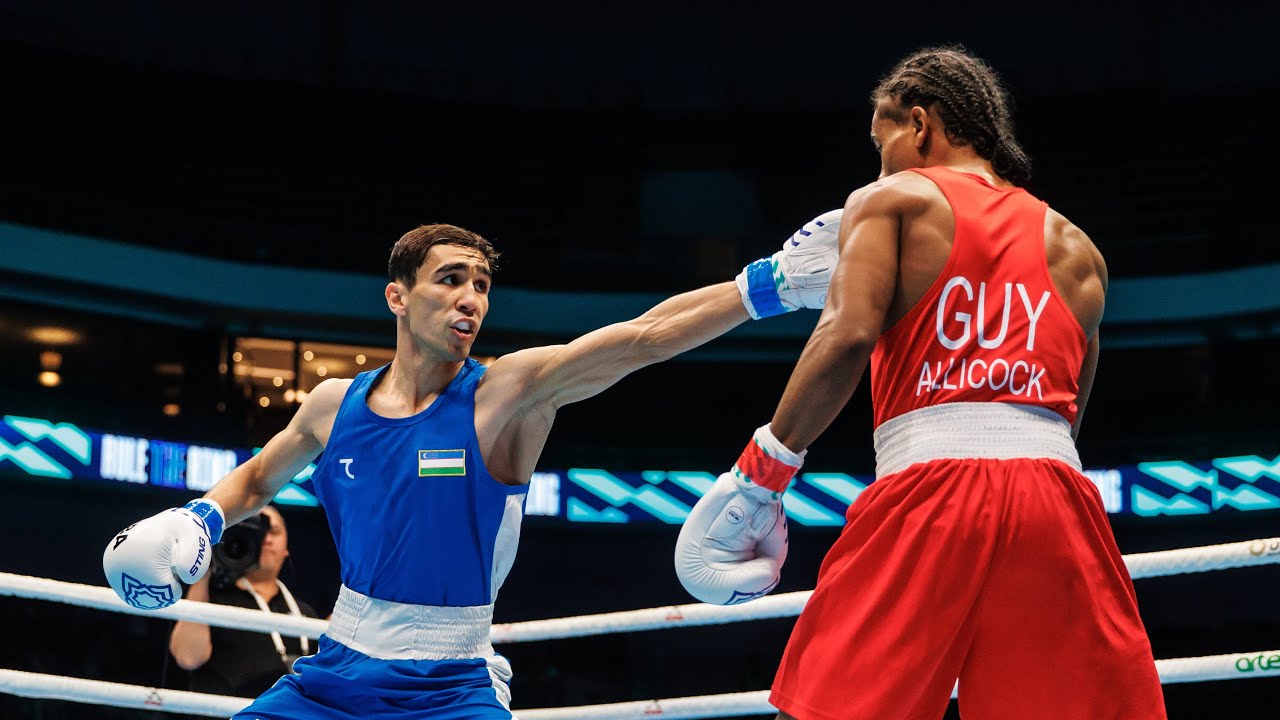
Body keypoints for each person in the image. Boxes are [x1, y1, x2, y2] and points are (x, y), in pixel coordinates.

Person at [102, 215, 841, 719]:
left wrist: (767, 286)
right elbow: (258, 479)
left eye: (482, 284)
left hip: (452, 682)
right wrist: (197, 516)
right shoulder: (333, 404)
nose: (471, 298)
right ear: (398, 296)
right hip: (338, 669)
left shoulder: (503, 396)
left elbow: (641, 339)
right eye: (451, 279)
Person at [675, 47, 1167, 719]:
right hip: (1058, 504)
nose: (879, 165)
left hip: (933, 492)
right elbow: (1067, 411)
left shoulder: (895, 199)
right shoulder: (1080, 249)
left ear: (920, 124)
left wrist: (760, 475)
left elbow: (845, 336)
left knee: (833, 706)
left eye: (883, 145)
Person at [168, 505, 321, 699]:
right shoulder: (209, 600)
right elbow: (188, 657)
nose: (265, 539)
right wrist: (202, 570)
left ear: (286, 549)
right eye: (255, 533)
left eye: (273, 531)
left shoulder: (303, 612)